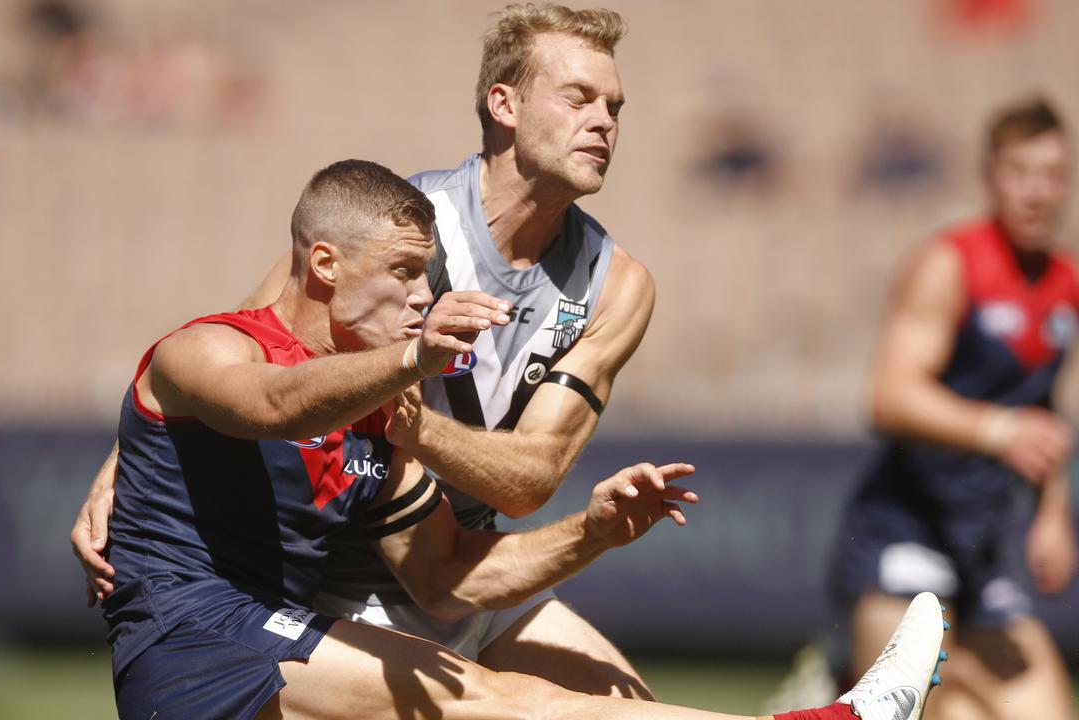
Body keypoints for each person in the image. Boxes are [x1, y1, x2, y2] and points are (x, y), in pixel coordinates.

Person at [102, 157, 946, 720]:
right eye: (402, 275)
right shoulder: (205, 349)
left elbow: (446, 574)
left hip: (266, 640)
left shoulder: (381, 415)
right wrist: (413, 356)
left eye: (425, 281)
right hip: (190, 642)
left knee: (541, 699)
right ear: (325, 265)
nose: (418, 297)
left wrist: (592, 532)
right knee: (487, 699)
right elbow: (278, 403)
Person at [74, 3, 663, 698]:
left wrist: (409, 426)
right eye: (579, 98)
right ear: (504, 103)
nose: (604, 121)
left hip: (468, 565)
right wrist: (126, 464)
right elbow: (252, 346)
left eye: (615, 106)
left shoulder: (616, 283)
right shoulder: (401, 224)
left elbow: (530, 480)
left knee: (628, 704)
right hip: (340, 580)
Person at [828, 97, 1077, 720]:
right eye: (1021, 171)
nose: (1037, 191)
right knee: (927, 712)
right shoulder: (951, 265)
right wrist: (997, 429)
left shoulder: (1066, 286)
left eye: (1052, 175)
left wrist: (1052, 514)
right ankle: (836, 672)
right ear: (992, 176)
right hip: (904, 530)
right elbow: (890, 395)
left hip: (981, 543)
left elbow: (1043, 412)